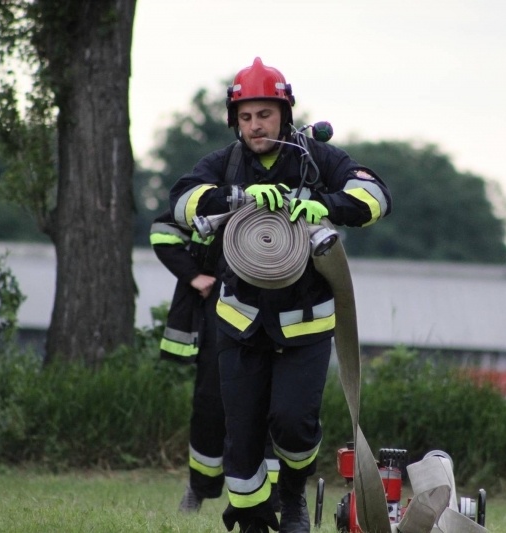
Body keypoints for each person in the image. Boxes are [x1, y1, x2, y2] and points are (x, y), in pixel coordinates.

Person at [169, 57, 392, 533]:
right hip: (239, 322)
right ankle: (251, 520)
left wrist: (320, 204)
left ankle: (292, 496)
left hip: (305, 324)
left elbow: (375, 197)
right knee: (242, 434)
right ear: (235, 121)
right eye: (246, 116)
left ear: (285, 114)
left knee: (294, 424)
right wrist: (240, 196)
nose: (255, 125)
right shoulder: (225, 163)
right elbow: (182, 202)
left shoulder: (317, 158)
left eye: (265, 114)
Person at [149, 210, 281, 514]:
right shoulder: (217, 190)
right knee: (211, 402)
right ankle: (199, 488)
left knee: (273, 404)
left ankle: (275, 498)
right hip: (221, 302)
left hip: (273, 303)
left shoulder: (287, 193)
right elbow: (163, 230)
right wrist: (193, 274)